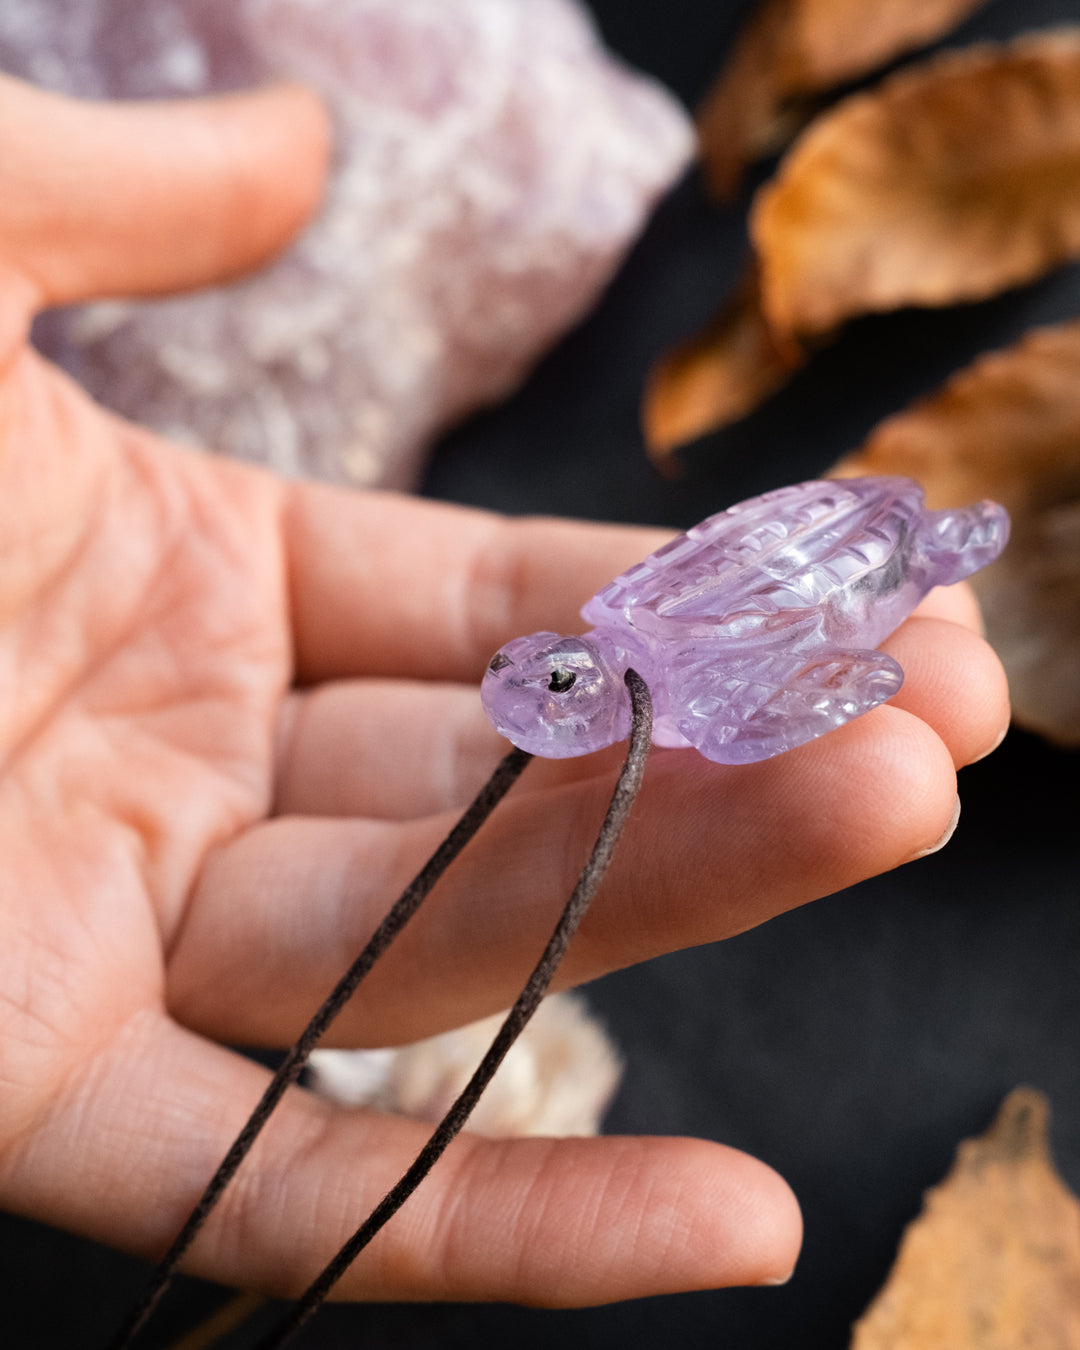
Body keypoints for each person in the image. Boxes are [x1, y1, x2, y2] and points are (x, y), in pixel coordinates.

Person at [0, 72, 1008, 1307]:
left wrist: (855, 677)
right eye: (544, 679)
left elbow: (806, 663)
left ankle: (948, 542)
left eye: (554, 683)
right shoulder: (633, 634)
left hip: (850, 551)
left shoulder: (688, 688)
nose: (539, 692)